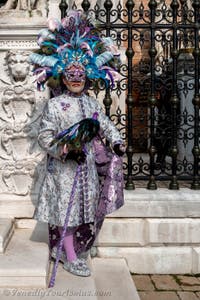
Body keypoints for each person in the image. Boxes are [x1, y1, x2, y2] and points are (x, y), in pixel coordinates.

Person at [29, 10, 125, 284]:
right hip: (64, 170)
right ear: (62, 75)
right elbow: (44, 137)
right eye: (70, 73)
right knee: (66, 212)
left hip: (87, 169)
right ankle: (70, 255)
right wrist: (64, 150)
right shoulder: (55, 105)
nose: (75, 78)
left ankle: (68, 249)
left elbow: (104, 123)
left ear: (88, 75)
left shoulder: (92, 103)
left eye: (80, 73)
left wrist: (116, 141)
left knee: (83, 210)